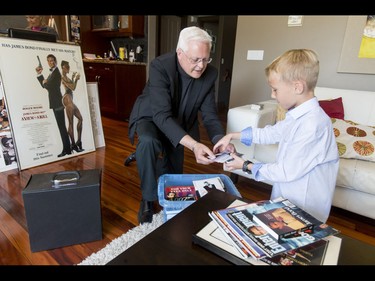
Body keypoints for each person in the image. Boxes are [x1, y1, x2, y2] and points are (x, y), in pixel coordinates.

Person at [213, 49, 339, 223]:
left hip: (304, 207)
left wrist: (245, 165)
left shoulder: (313, 125)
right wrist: (233, 135)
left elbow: (285, 171)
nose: (272, 95)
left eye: (275, 89)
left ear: (297, 87)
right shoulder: (296, 115)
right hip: (287, 197)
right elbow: (272, 132)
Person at [128, 26, 234, 224]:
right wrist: (194, 145)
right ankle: (148, 199)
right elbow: (161, 116)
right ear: (180, 53)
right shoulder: (160, 66)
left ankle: (159, 178)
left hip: (180, 120)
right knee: (149, 142)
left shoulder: (210, 74)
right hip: (152, 115)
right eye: (195, 59)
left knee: (174, 170)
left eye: (205, 59)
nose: (201, 66)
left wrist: (220, 140)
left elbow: (210, 115)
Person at [36, 54, 71, 157]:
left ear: (55, 61)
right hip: (55, 103)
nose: (50, 62)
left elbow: (48, 86)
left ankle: (67, 150)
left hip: (57, 103)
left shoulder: (56, 73)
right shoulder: (52, 73)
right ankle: (67, 149)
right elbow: (45, 85)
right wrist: (40, 76)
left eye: (52, 60)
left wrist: (44, 81)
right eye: (48, 61)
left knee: (62, 127)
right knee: (61, 127)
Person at [61, 60, 84, 153]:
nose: (69, 68)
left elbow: (73, 87)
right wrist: (75, 80)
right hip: (67, 98)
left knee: (80, 119)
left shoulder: (66, 77)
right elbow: (73, 87)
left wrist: (74, 79)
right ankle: (73, 144)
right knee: (71, 123)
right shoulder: (62, 77)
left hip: (70, 99)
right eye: (67, 66)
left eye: (69, 66)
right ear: (63, 67)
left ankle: (78, 141)